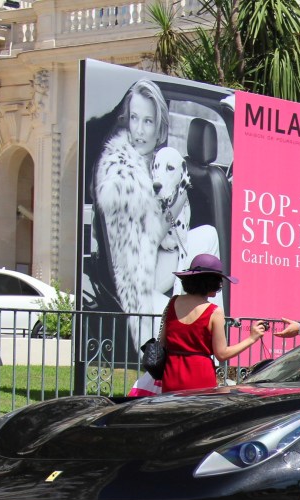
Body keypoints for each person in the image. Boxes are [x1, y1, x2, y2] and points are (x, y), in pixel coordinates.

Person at [94, 78, 171, 322]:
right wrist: (178, 202)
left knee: (210, 236)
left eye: (147, 121)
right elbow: (153, 237)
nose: (138, 130)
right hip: (139, 277)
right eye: (134, 118)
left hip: (157, 264)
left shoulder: (155, 163)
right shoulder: (121, 172)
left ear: (159, 127)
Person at [160, 254, 268, 393]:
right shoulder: (214, 312)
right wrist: (252, 338)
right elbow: (222, 354)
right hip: (200, 377)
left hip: (171, 374)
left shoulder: (173, 302)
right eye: (219, 281)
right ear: (211, 283)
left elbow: (162, 342)